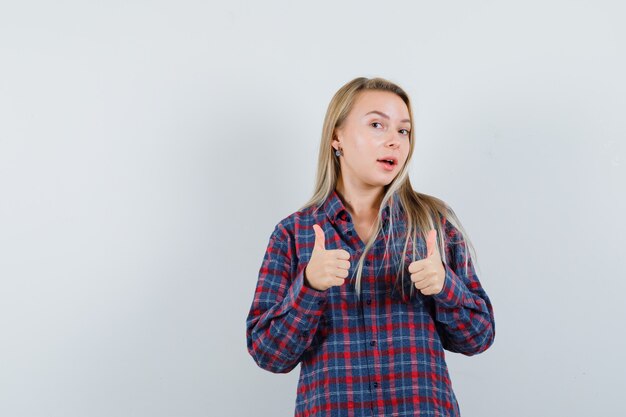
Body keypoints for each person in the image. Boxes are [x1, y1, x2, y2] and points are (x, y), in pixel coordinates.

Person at [245, 76, 495, 416]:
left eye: (403, 131)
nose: (394, 141)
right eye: (377, 125)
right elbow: (269, 354)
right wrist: (309, 286)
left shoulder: (433, 225)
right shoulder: (293, 233)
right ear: (337, 137)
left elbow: (478, 338)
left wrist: (444, 286)